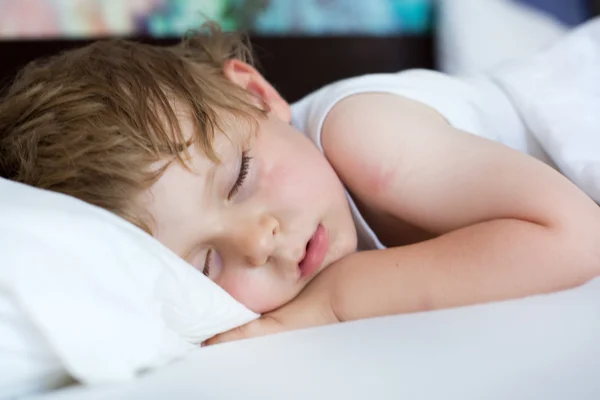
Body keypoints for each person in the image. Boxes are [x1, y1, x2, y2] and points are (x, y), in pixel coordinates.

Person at [1, 18, 599, 346]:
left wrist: (337, 302)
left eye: (239, 178)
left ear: (257, 95)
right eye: (208, 265)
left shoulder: (367, 135)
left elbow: (576, 237)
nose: (258, 240)